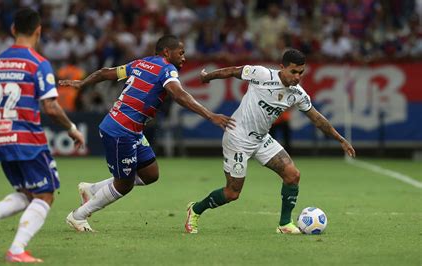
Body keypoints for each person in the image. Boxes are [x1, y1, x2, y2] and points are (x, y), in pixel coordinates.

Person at [60, 35, 235, 232]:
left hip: (132, 129)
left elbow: (105, 72)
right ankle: (78, 216)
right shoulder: (167, 69)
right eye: (181, 53)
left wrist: (83, 83)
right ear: (167, 52)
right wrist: (210, 115)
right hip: (121, 129)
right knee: (124, 185)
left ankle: (91, 189)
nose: (184, 58)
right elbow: (179, 95)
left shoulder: (141, 63)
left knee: (150, 174)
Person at [184, 49, 356, 234]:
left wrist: (340, 139)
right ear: (282, 67)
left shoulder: (297, 94)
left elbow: (317, 119)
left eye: (301, 73)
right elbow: (233, 70)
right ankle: (195, 210)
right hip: (238, 138)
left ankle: (284, 224)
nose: (297, 77)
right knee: (232, 193)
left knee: (292, 175)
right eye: (293, 72)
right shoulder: (262, 74)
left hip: (261, 139)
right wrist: (207, 77)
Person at [0, 8, 85, 263]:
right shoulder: (38, 63)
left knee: (27, 193)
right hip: (28, 140)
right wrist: (72, 128)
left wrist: (1, 128)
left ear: (13, 30)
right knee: (45, 194)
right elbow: (51, 107)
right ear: (38, 31)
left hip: (1, 140)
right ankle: (16, 250)